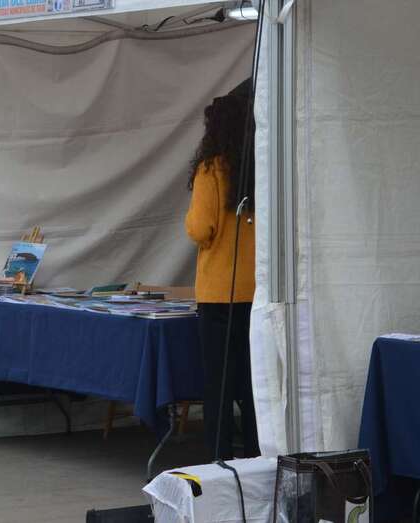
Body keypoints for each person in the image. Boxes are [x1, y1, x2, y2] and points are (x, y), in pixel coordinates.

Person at [185, 87, 259, 461]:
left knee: (219, 386)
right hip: (256, 291)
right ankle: (256, 456)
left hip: (218, 293)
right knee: (252, 384)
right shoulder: (261, 166)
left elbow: (201, 228)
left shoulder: (211, 169)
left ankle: (220, 458)